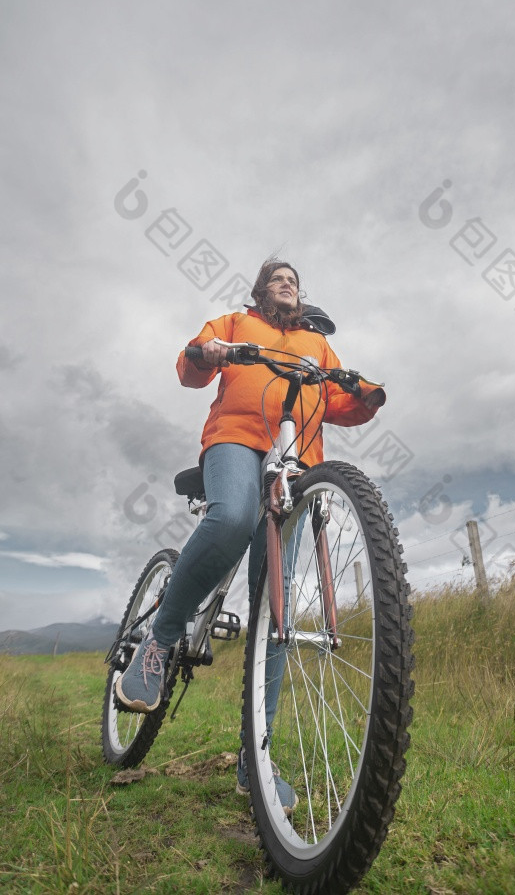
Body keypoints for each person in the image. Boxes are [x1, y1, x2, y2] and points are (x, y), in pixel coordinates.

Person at [116, 259, 386, 811]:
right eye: (276, 279)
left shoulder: (316, 343)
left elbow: (338, 401)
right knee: (233, 518)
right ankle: (160, 639)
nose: (287, 284)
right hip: (237, 438)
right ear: (261, 292)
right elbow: (191, 366)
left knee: (276, 609)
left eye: (293, 279)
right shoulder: (236, 324)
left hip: (295, 459)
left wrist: (367, 394)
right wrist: (204, 352)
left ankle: (254, 756)